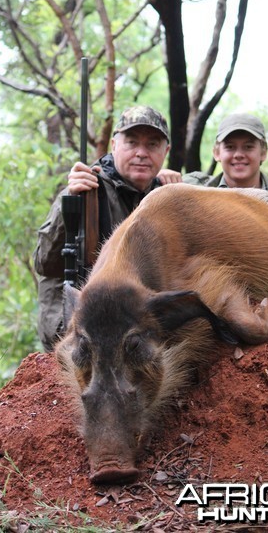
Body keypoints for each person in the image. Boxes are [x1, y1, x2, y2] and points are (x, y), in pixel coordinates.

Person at [34, 106, 181, 351]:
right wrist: (67, 203)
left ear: (165, 152)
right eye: (132, 143)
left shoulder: (165, 195)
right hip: (77, 327)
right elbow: (43, 262)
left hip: (133, 322)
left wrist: (178, 188)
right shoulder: (87, 188)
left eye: (152, 145)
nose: (141, 153)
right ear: (114, 145)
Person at [183, 113, 268, 257]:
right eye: (230, 147)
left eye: (248, 147)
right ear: (217, 153)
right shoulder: (194, 192)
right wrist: (161, 175)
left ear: (263, 152)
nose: (239, 154)